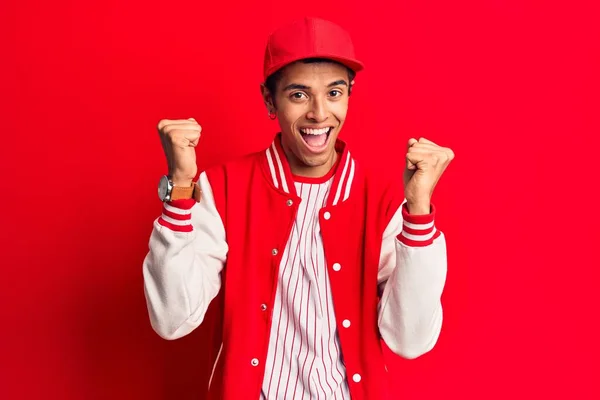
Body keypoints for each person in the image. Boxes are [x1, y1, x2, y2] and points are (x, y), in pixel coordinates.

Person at [143, 16, 454, 400]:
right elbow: (173, 319)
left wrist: (418, 210)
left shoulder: (384, 198)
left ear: (350, 95)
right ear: (269, 100)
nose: (320, 114)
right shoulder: (223, 188)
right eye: (299, 95)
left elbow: (410, 340)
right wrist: (181, 187)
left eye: (335, 93)